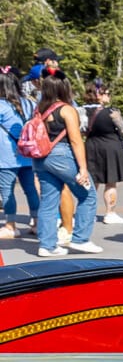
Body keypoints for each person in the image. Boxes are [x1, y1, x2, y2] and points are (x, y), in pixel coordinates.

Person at [27, 74, 101, 257]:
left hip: (41, 157)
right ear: (64, 88)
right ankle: (81, 239)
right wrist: (83, 169)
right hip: (62, 155)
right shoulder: (67, 109)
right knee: (88, 195)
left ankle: (47, 245)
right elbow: (76, 141)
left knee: (48, 201)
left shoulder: (39, 109)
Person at [81, 80, 123, 224]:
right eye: (107, 93)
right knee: (110, 182)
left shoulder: (81, 111)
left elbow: (82, 132)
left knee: (92, 182)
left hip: (91, 146)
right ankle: (110, 213)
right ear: (99, 94)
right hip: (111, 147)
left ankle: (88, 213)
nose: (109, 96)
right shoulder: (112, 112)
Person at [0, 71, 40, 242]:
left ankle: (11, 225)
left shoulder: (1, 105)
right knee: (30, 189)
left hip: (6, 156)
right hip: (27, 154)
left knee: (7, 191)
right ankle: (38, 223)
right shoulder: (29, 103)